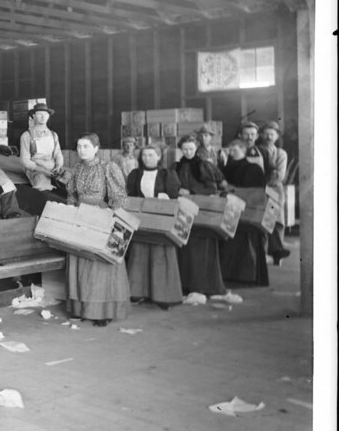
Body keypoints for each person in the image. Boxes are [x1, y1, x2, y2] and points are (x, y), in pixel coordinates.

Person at [64, 133, 129, 326]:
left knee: (101, 265)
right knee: (80, 262)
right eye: (78, 146)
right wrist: (71, 212)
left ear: (96, 148)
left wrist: (110, 219)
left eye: (85, 146)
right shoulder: (76, 169)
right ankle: (83, 309)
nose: (81, 150)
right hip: (80, 216)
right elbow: (72, 195)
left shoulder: (108, 168)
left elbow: (119, 198)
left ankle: (103, 312)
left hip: (102, 217)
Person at [124, 145, 184, 309]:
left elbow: (174, 195)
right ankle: (137, 292)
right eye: (144, 155)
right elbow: (130, 194)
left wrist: (168, 197)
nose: (147, 158)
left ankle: (163, 295)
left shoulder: (167, 174)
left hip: (161, 219)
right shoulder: (135, 174)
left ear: (158, 157)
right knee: (139, 253)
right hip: (141, 219)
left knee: (161, 255)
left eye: (151, 155)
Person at [174, 134, 227, 297]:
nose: (188, 152)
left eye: (191, 149)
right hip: (183, 211)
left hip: (202, 212)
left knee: (202, 250)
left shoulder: (204, 165)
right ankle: (186, 285)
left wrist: (191, 192)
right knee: (184, 248)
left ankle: (205, 286)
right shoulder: (176, 166)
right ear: (180, 150)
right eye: (185, 149)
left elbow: (212, 189)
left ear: (196, 148)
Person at [218, 139, 269, 286]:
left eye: (235, 150)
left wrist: (228, 187)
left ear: (244, 150)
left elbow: (256, 193)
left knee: (247, 244)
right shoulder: (226, 168)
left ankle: (247, 278)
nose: (232, 153)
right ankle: (231, 277)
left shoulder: (253, 168)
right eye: (230, 150)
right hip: (231, 210)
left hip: (249, 212)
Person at [258, 120, 291, 264]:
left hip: (274, 191)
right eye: (266, 134)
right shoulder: (256, 150)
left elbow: (279, 175)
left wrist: (265, 174)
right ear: (261, 135)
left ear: (277, 136)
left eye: (272, 134)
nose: (269, 137)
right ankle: (263, 254)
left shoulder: (281, 154)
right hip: (260, 191)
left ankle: (277, 253)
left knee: (275, 221)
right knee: (263, 222)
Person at [19, 103, 65, 193]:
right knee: (43, 189)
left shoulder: (53, 135)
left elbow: (58, 154)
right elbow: (25, 160)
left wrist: (59, 166)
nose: (43, 117)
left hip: (53, 169)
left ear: (48, 116)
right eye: (39, 114)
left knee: (71, 184)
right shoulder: (27, 135)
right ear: (33, 116)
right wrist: (42, 170)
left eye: (45, 114)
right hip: (36, 170)